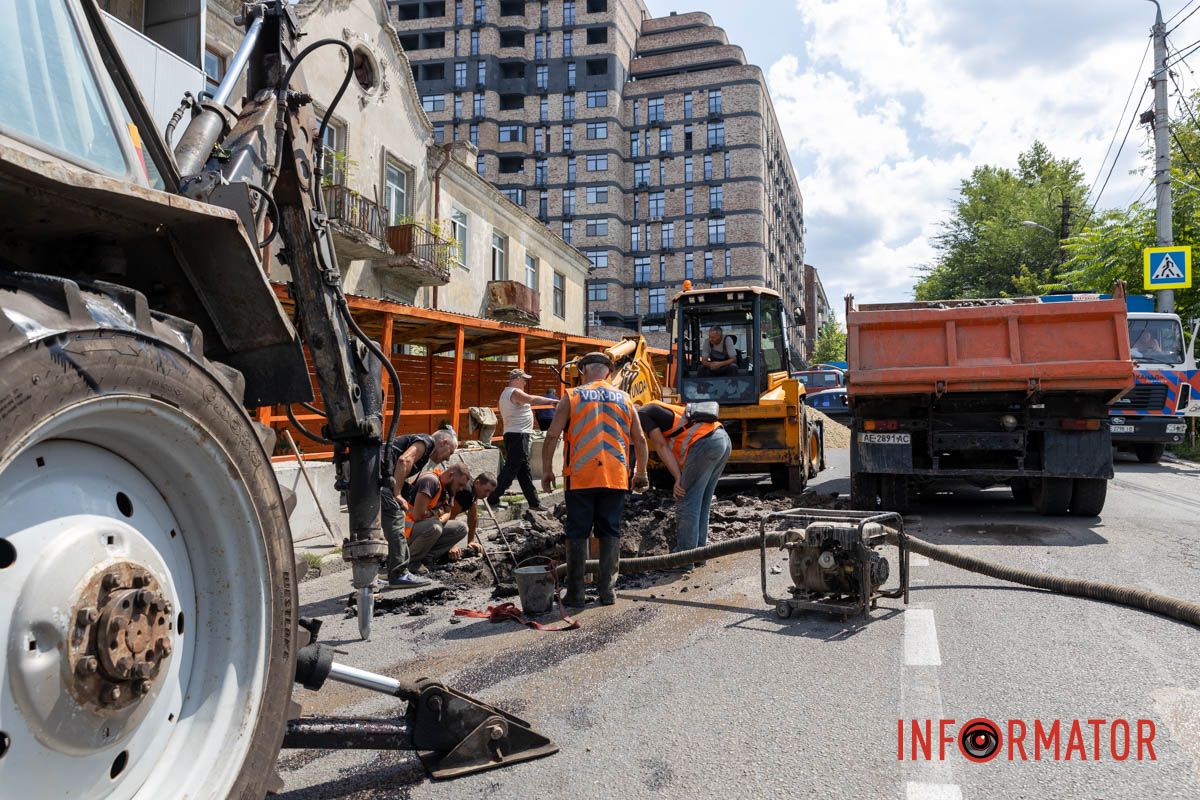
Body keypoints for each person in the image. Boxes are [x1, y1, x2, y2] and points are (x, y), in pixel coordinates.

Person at [542, 352, 649, 607]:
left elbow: (552, 435)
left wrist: (547, 470)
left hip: (581, 476)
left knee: (578, 531)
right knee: (609, 530)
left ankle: (577, 594)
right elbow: (641, 440)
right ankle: (607, 592)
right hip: (615, 475)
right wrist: (641, 472)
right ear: (609, 372)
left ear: (584, 370)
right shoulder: (625, 398)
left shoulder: (573, 396)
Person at [636, 401, 732, 571]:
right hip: (722, 439)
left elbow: (660, 445)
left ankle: (683, 558)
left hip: (705, 443)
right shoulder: (657, 407)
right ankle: (699, 555)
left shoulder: (642, 413)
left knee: (686, 499)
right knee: (702, 502)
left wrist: (677, 477)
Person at [378, 429, 457, 587]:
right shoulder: (427, 441)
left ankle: (369, 576)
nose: (448, 457)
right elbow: (403, 461)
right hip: (378, 479)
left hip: (369, 477)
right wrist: (398, 493)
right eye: (450, 452)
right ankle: (398, 573)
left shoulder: (423, 453)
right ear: (444, 442)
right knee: (396, 523)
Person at [491, 368, 559, 511]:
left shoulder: (506, 393)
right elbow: (532, 399)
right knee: (511, 469)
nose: (525, 382)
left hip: (516, 435)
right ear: (516, 379)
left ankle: (534, 503)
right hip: (518, 435)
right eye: (523, 379)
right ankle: (493, 497)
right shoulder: (514, 392)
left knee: (523, 471)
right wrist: (553, 401)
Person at [406, 462, 473, 566]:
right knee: (435, 527)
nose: (460, 489)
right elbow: (418, 516)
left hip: (424, 525)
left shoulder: (449, 489)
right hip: (407, 529)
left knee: (461, 528)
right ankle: (408, 562)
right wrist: (438, 514)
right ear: (451, 475)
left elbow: (448, 513)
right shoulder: (430, 481)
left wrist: (438, 518)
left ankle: (427, 557)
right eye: (460, 484)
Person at [448, 471, 498, 560]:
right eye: (486, 490)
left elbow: (472, 517)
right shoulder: (466, 492)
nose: (487, 495)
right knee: (461, 528)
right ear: (478, 483)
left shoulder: (474, 490)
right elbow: (449, 517)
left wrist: (471, 541)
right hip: (430, 520)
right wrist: (452, 545)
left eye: (490, 492)